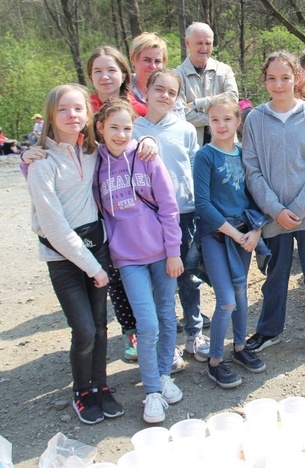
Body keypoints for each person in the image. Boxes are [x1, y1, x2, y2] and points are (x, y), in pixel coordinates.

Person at [24, 84, 123, 425]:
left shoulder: (93, 153)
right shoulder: (41, 164)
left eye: (78, 109)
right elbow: (52, 225)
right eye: (63, 110)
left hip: (96, 249)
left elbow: (128, 141)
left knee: (99, 324)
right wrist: (94, 267)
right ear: (51, 115)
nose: (72, 116)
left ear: (88, 114)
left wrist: (149, 142)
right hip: (64, 258)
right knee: (83, 329)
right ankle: (82, 390)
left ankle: (101, 385)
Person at [242, 50, 305, 358]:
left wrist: (297, 209)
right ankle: (269, 330)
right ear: (265, 80)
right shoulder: (255, 119)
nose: (278, 84)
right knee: (275, 275)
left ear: (296, 78)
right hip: (274, 215)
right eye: (271, 78)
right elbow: (252, 169)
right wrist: (275, 209)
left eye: (284, 77)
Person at [94, 98, 183, 423]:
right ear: (100, 127)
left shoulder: (147, 156)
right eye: (113, 127)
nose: (120, 134)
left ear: (135, 129)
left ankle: (163, 376)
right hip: (128, 258)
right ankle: (152, 392)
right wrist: (27, 160)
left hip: (162, 254)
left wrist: (174, 252)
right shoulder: (96, 163)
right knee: (146, 324)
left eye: (127, 128)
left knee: (167, 317)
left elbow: (169, 206)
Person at [133, 69, 210, 363]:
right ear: (146, 91)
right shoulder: (134, 130)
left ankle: (194, 334)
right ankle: (166, 343)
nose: (165, 96)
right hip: (147, 220)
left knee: (189, 278)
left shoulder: (186, 130)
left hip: (184, 214)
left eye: (172, 92)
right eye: (159, 89)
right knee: (158, 283)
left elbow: (193, 169)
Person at [193, 95, 267, 388]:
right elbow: (203, 203)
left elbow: (254, 194)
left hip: (244, 234)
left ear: (239, 121)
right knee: (225, 301)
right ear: (208, 123)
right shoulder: (205, 156)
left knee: (240, 294)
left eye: (227, 119)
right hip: (216, 235)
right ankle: (214, 361)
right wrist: (234, 234)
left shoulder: (243, 153)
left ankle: (239, 348)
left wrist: (256, 231)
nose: (221, 125)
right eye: (214, 120)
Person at [176, 22, 239, 145]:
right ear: (187, 43)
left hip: (226, 146)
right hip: (192, 148)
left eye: (208, 43)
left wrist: (197, 103)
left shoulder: (224, 70)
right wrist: (217, 118)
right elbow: (181, 113)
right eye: (199, 43)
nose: (204, 48)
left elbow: (232, 99)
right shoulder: (176, 76)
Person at [130, 32, 185, 119]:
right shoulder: (122, 89)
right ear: (133, 60)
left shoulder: (171, 89)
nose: (153, 66)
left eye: (157, 61)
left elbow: (180, 125)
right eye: (147, 60)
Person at [87, 46, 147, 116]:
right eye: (98, 71)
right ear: (91, 78)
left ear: (123, 76)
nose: (105, 77)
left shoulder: (139, 112)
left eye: (111, 70)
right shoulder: (84, 108)